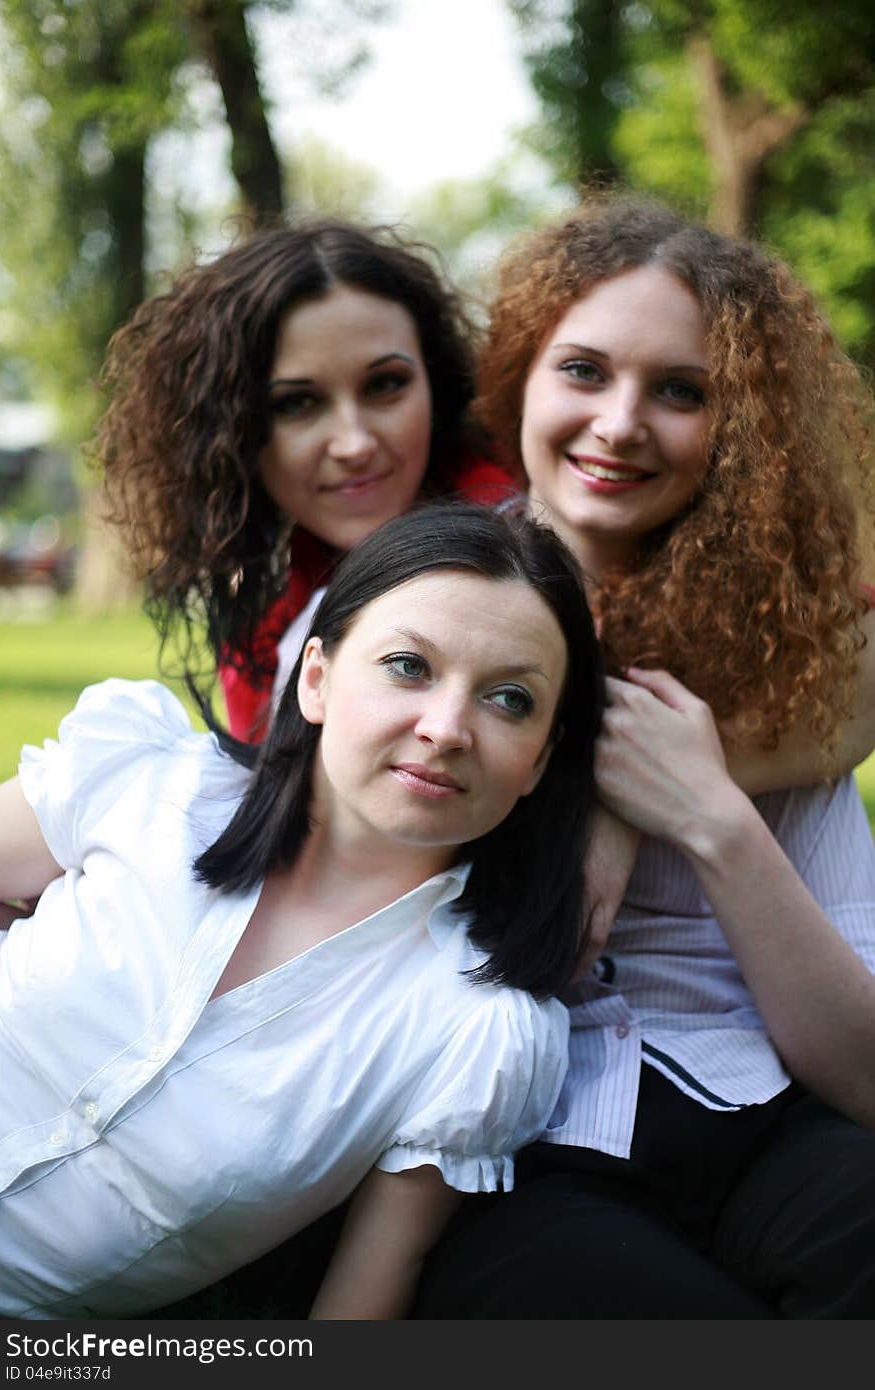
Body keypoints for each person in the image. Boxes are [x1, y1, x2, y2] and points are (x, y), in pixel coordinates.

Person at [413, 192, 875, 1319]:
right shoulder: (412, 616)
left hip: (764, 1105)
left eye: (680, 391)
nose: (620, 424)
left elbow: (860, 1071)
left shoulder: (798, 657)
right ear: (519, 377)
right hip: (525, 1132)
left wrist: (707, 815)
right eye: (583, 370)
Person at [0, 502, 604, 1321]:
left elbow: (354, 1314)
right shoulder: (148, 783)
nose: (447, 727)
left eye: (508, 700)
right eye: (408, 666)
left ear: (541, 761)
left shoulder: (477, 1033)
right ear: (315, 677)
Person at [95, 217, 513, 743]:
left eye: (385, 385)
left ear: (438, 383)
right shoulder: (266, 613)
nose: (354, 443)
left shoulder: (527, 549)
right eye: (298, 403)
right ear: (235, 433)